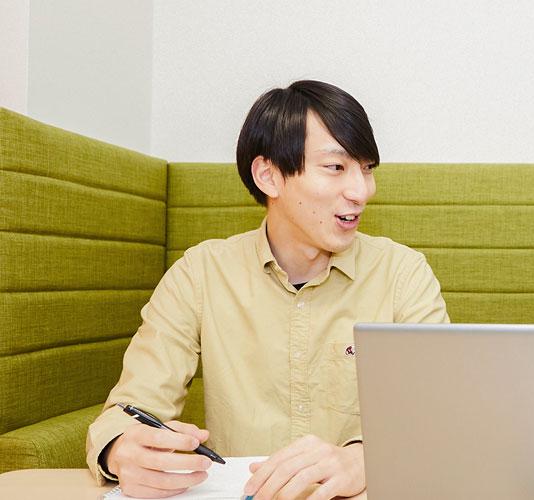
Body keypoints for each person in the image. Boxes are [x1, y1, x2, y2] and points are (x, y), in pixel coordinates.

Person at [86, 80, 448, 499]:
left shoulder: (403, 273)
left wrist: (363, 458)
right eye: (336, 167)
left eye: (366, 169)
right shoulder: (201, 273)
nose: (362, 191)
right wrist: (122, 450)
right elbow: (129, 409)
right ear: (269, 176)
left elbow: (442, 415)